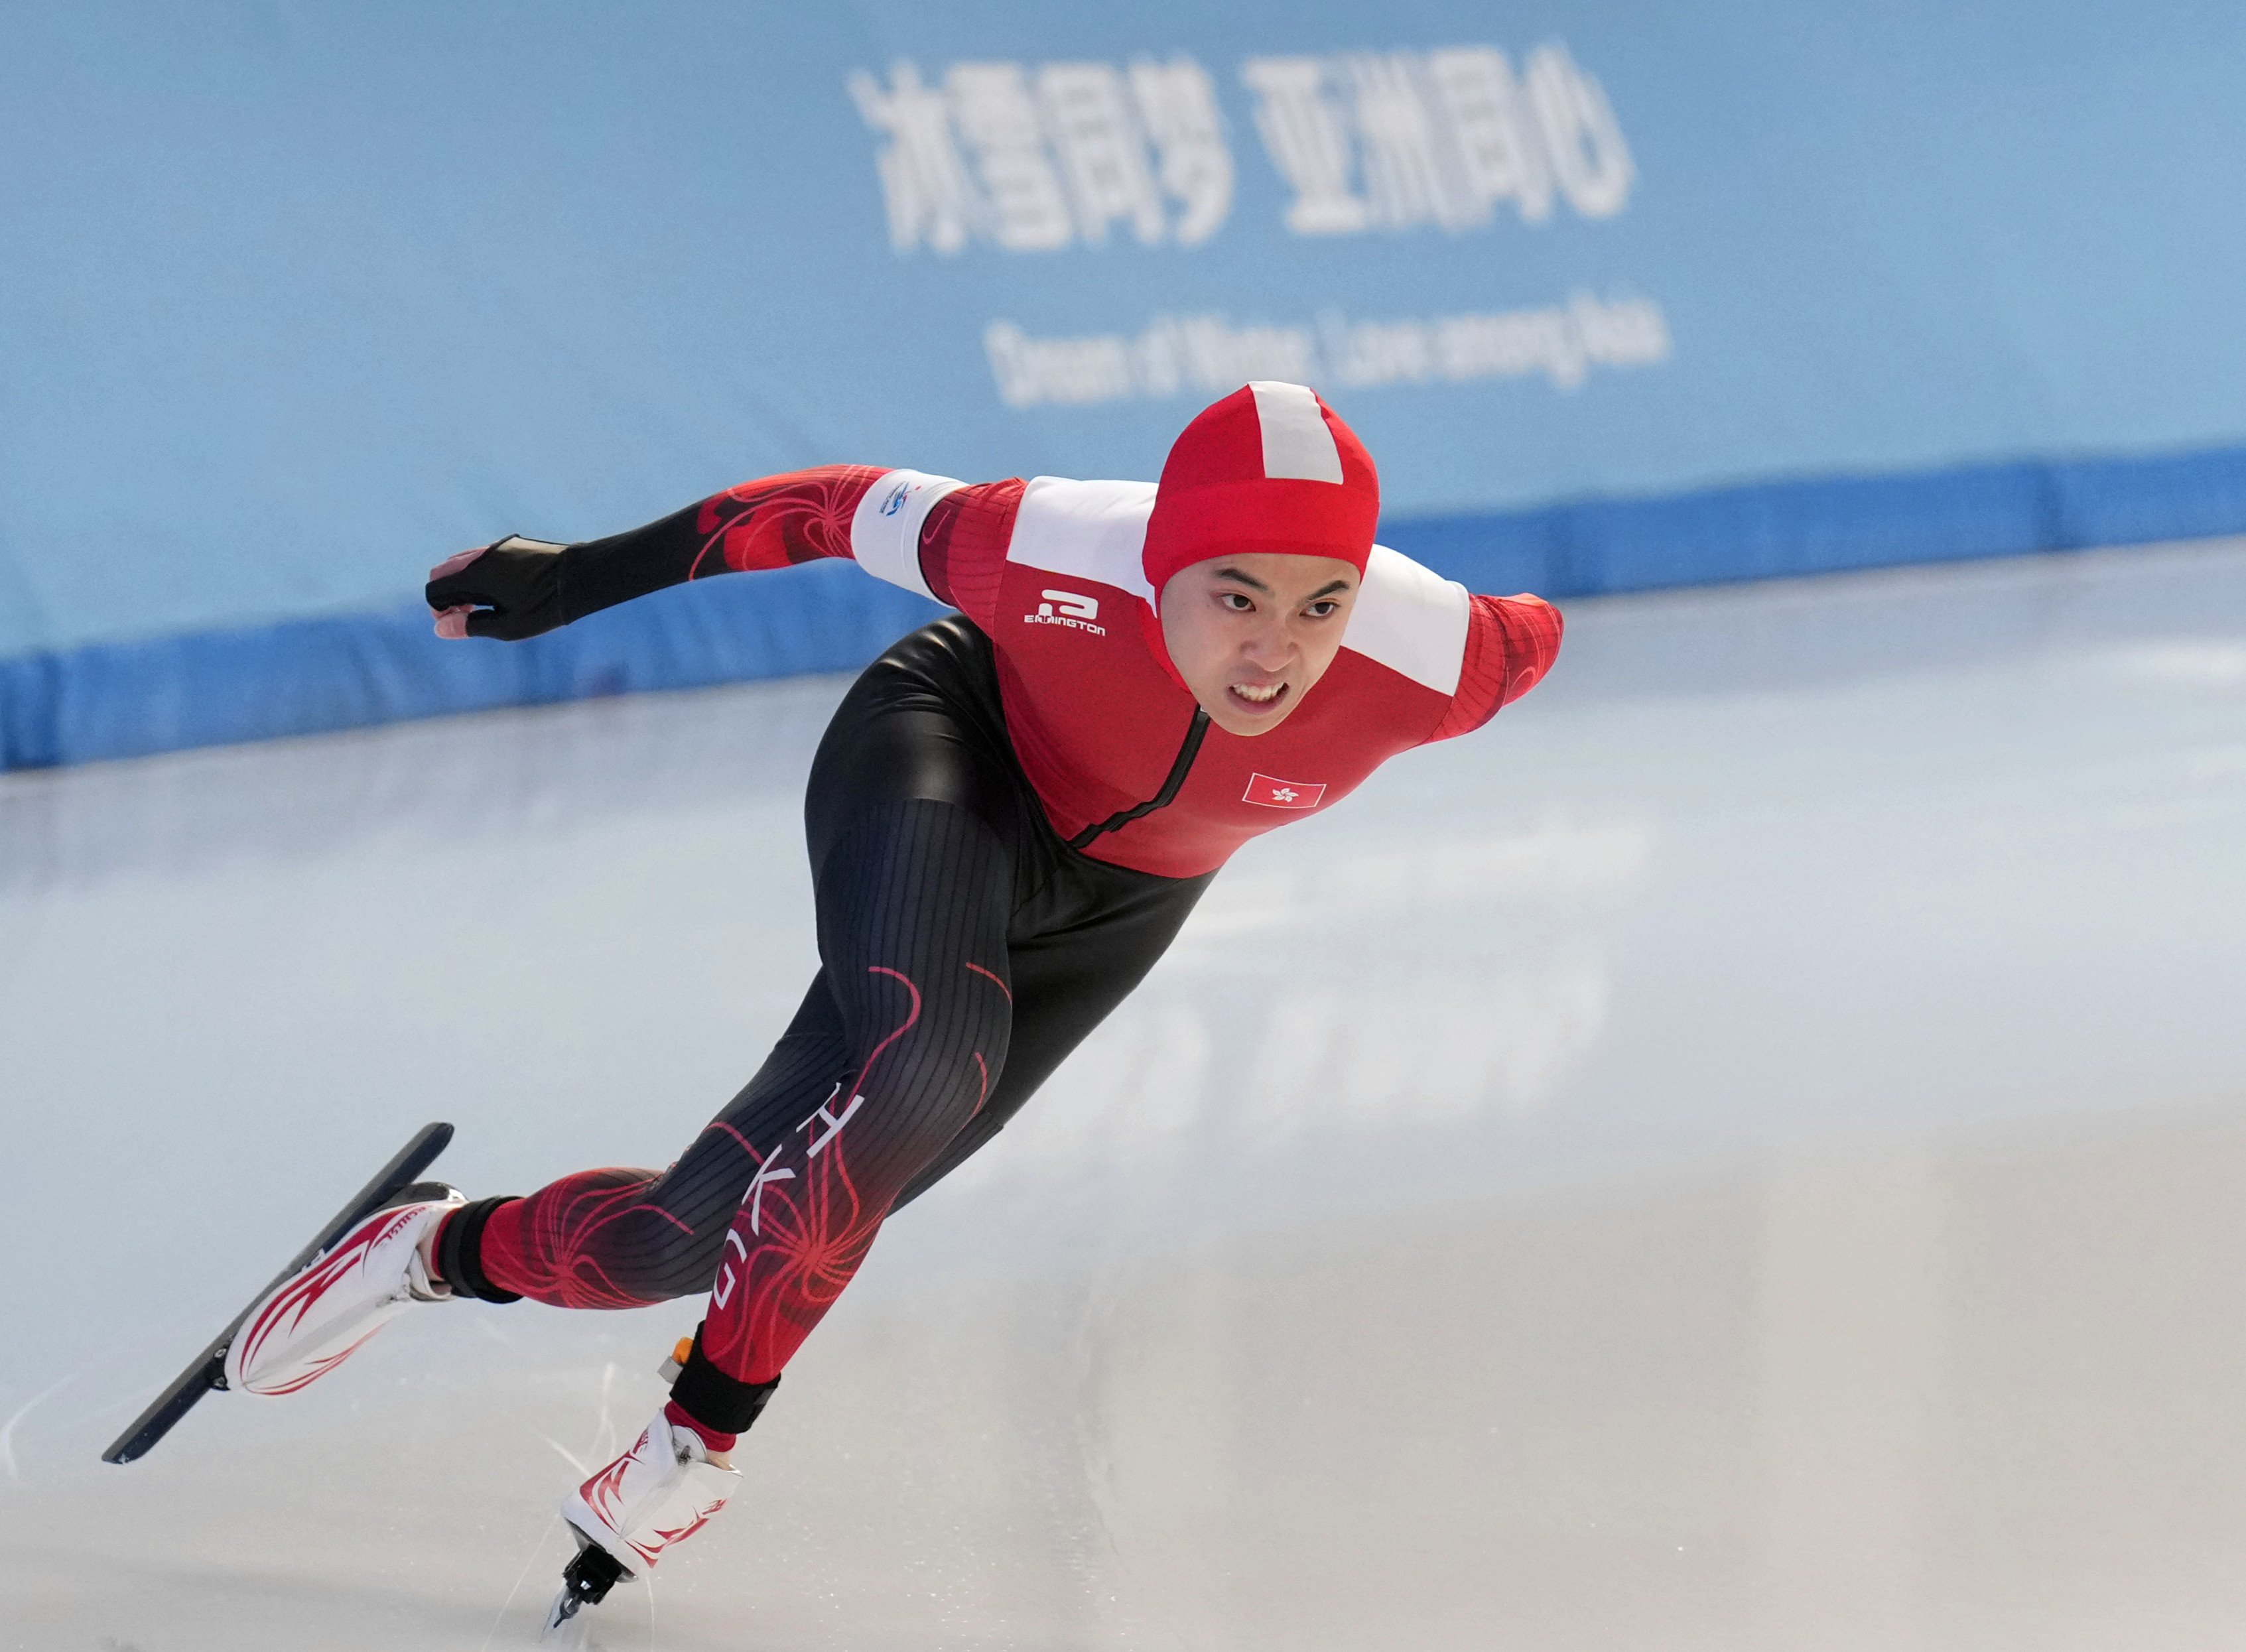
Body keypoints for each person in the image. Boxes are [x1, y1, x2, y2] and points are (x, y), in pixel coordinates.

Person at [221, 383, 1562, 1616]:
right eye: (1235, 595)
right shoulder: (1044, 544)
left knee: (667, 1246)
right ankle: (704, 1433)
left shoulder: (1450, 657)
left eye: (1321, 604)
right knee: (928, 1068)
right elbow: (822, 509)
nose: (1274, 651)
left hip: (1122, 907)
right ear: (1159, 562)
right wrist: (579, 576)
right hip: (950, 760)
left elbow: (1540, 629)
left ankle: (428, 1250)